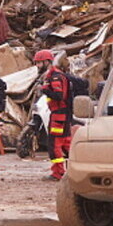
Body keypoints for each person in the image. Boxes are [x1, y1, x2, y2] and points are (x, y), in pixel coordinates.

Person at [34, 49, 71, 181]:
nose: (38, 66)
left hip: (59, 115)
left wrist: (44, 89)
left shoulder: (54, 76)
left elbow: (58, 95)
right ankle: (76, 167)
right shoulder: (54, 75)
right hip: (61, 114)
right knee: (67, 143)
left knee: (54, 144)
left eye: (39, 63)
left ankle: (58, 173)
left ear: (47, 62)